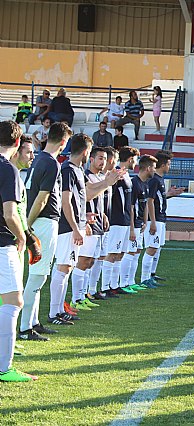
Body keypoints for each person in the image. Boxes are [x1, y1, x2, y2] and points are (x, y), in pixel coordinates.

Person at [53, 134, 118, 320]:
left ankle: (61, 308)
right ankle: (56, 310)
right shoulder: (67, 169)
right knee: (64, 267)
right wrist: (75, 226)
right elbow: (66, 200)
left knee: (68, 267)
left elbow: (83, 197)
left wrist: (84, 216)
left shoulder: (76, 170)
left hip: (77, 224)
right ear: (85, 152)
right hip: (67, 227)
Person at [21, 123, 73, 334]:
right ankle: (25, 327)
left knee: (38, 274)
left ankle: (33, 322)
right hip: (43, 222)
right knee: (37, 276)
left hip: (39, 221)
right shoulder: (52, 163)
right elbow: (42, 198)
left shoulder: (39, 159)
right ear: (62, 141)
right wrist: (28, 225)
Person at [0, 121, 38, 382]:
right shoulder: (8, 170)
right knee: (14, 301)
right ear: (16, 143)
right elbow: (10, 213)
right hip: (3, 244)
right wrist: (22, 236)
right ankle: (5, 367)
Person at [70, 146, 120, 310]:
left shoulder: (99, 177)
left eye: (105, 158)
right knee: (83, 260)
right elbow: (86, 197)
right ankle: (76, 299)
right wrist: (84, 221)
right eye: (99, 158)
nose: (102, 161)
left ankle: (84, 295)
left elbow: (99, 200)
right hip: (88, 223)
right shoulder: (87, 176)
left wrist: (103, 214)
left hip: (98, 222)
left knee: (91, 261)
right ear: (91, 159)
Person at [141, 150, 184, 285]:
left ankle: (151, 275)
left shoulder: (159, 179)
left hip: (160, 218)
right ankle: (145, 278)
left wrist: (170, 194)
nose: (169, 167)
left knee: (157, 247)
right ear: (163, 165)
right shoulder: (154, 180)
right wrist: (152, 221)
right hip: (155, 219)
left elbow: (158, 198)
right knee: (152, 247)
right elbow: (150, 201)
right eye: (168, 164)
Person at [101, 146, 139, 296]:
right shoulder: (115, 174)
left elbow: (130, 203)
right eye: (135, 160)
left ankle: (114, 285)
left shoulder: (127, 176)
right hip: (116, 220)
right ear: (130, 159)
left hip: (125, 220)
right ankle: (105, 287)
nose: (135, 163)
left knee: (120, 254)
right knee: (111, 253)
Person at [119, 155, 157, 292]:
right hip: (133, 224)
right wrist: (131, 228)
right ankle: (123, 283)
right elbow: (130, 206)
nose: (154, 170)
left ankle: (131, 281)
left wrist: (145, 221)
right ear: (147, 168)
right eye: (153, 167)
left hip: (140, 223)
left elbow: (145, 204)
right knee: (130, 252)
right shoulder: (134, 183)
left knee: (137, 251)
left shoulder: (145, 183)